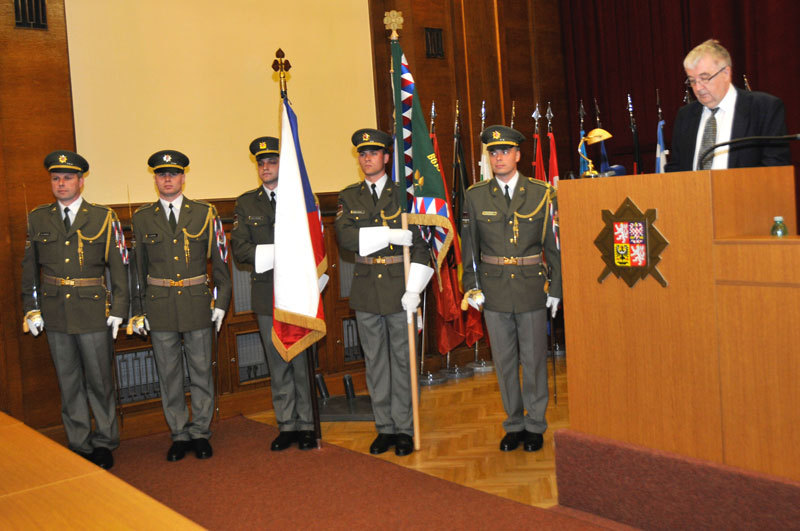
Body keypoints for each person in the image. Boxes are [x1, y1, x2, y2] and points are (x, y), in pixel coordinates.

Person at [21, 150, 129, 470]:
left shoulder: (102, 217)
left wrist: (119, 308)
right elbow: (30, 268)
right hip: (55, 311)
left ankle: (106, 439)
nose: (61, 183)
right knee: (68, 381)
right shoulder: (39, 217)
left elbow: (119, 267)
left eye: (68, 178)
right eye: (56, 178)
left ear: (81, 182)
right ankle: (79, 441)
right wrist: (31, 308)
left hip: (94, 311)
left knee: (99, 380)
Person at [461, 126, 562, 452]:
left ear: (518, 155)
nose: (499, 157)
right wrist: (471, 287)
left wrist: (557, 288)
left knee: (533, 360)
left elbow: (554, 247)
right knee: (504, 362)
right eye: (493, 152)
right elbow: (469, 250)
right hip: (494, 290)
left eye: (505, 151)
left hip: (532, 286)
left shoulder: (541, 193)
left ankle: (535, 425)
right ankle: (514, 423)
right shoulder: (476, 195)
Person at [335, 129, 433, 456]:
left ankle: (404, 428)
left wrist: (415, 288)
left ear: (386, 157)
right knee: (375, 363)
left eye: (373, 153)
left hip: (399, 287)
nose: (367, 158)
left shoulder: (406, 194)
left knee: (403, 362)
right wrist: (390, 233)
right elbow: (346, 238)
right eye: (362, 154)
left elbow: (423, 247)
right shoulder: (349, 197)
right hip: (365, 289)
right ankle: (385, 427)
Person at [130, 150, 231, 462]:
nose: (168, 179)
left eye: (173, 173)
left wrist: (222, 302)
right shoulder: (143, 217)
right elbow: (137, 268)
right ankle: (178, 432)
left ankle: (200, 432)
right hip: (159, 305)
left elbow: (221, 260)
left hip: (197, 303)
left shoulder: (204, 213)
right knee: (169, 374)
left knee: (202, 370)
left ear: (183, 177)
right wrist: (138, 310)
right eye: (161, 174)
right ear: (155, 179)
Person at [231, 136, 315, 451]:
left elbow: (315, 242)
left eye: (272, 162)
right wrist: (279, 253)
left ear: (283, 164)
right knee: (277, 360)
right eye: (261, 163)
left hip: (298, 291)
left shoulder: (302, 198)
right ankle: (288, 425)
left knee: (301, 359)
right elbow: (240, 249)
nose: (265, 167)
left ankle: (307, 424)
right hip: (267, 292)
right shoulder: (246, 202)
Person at [665, 39, 791, 172]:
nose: (698, 87)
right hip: (695, 192)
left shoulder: (763, 108)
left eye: (705, 78)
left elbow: (776, 166)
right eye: (692, 80)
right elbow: (676, 168)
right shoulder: (686, 115)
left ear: (725, 73)